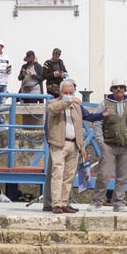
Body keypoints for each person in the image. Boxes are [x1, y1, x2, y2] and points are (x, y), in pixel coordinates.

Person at [43, 79, 95, 213]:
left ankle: (64, 202)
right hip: (59, 143)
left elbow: (79, 127)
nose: (68, 94)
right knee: (57, 173)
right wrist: (69, 101)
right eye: (65, 92)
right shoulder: (53, 103)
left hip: (74, 144)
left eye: (70, 92)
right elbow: (53, 109)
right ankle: (56, 204)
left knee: (69, 175)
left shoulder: (76, 107)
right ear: (60, 92)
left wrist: (82, 147)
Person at [91, 79, 127, 212]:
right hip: (109, 145)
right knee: (103, 175)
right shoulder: (104, 104)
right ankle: (97, 201)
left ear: (125, 89)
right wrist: (101, 143)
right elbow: (97, 123)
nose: (118, 89)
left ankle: (119, 202)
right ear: (111, 89)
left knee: (123, 177)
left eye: (121, 87)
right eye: (115, 87)